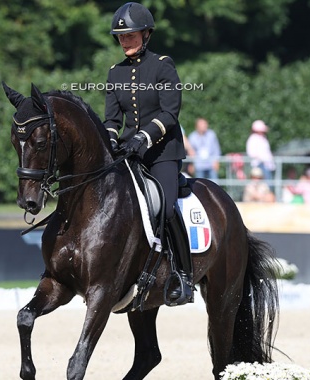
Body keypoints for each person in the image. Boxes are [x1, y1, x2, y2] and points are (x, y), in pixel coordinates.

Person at [104, 2, 193, 303]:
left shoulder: (162, 65)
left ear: (146, 34)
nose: (125, 41)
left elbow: (170, 113)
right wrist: (110, 140)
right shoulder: (115, 73)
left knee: (165, 208)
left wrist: (144, 136)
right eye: (121, 37)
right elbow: (113, 120)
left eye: (130, 35)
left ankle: (183, 274)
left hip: (163, 152)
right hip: (131, 151)